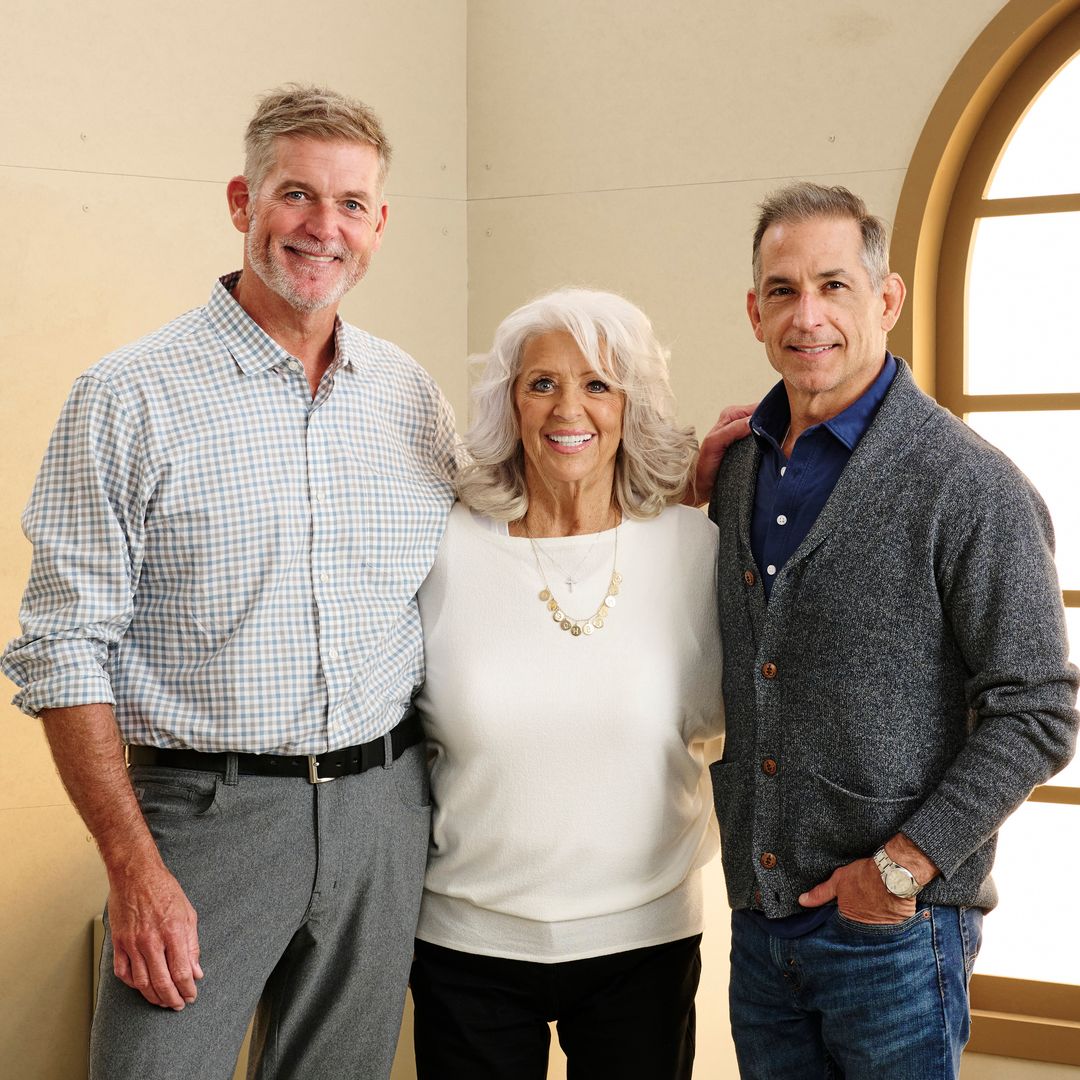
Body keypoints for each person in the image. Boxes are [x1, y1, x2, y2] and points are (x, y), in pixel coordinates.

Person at [1, 85, 457, 1079]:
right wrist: (133, 867)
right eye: (296, 196)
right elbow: (61, 648)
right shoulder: (129, 397)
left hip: (387, 811)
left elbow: (512, 527)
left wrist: (682, 471)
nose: (320, 227)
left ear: (378, 224)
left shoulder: (409, 397)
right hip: (204, 821)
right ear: (242, 201)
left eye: (348, 204)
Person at [700, 181, 1079, 1079]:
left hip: (896, 936)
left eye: (835, 285)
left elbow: (1037, 710)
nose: (809, 316)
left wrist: (903, 869)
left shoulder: (968, 484)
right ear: (755, 311)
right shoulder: (737, 469)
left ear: (887, 299)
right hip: (761, 930)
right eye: (784, 291)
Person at [408, 288, 733, 1080]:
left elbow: (741, 719)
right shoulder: (441, 546)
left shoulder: (695, 548)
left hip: (643, 945)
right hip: (465, 943)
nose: (568, 408)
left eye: (597, 383)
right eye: (541, 383)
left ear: (632, 404)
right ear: (510, 404)